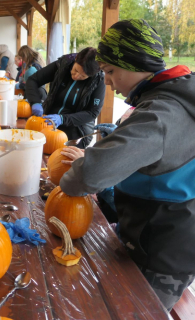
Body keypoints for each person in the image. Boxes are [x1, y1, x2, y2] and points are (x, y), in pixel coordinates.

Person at [59, 19, 195, 311]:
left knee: (126, 311)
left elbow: (91, 174)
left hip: (162, 253)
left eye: (110, 71)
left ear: (135, 64)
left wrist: (68, 179)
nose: (107, 81)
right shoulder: (174, 93)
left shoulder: (161, 113)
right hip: (154, 231)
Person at [25, 47, 105, 148]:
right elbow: (33, 80)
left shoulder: (98, 80)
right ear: (76, 59)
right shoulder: (62, 65)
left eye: (83, 76)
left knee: (59, 158)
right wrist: (35, 102)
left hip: (76, 130)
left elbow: (92, 112)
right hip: (49, 121)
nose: (76, 76)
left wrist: (63, 119)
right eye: (76, 70)